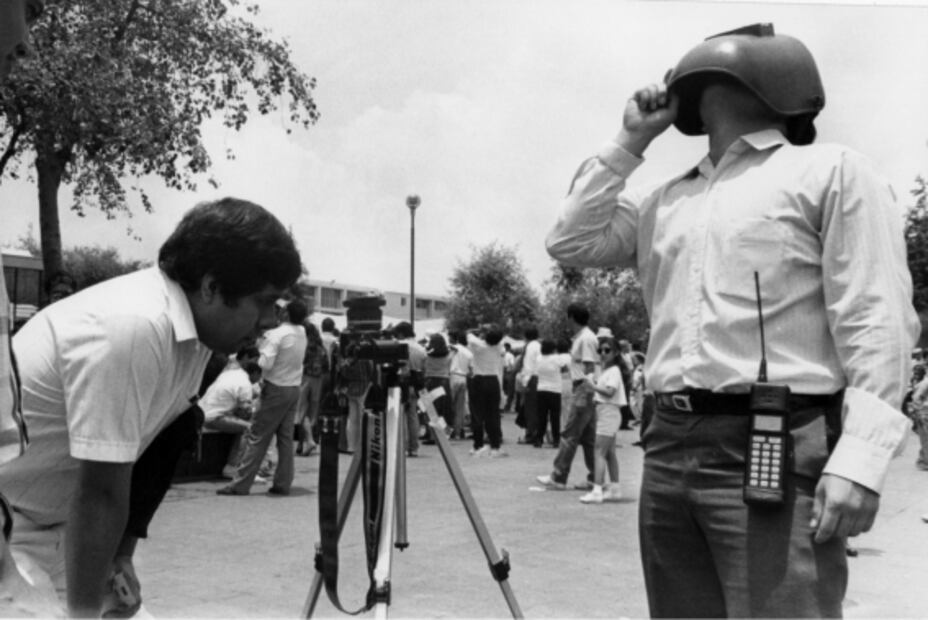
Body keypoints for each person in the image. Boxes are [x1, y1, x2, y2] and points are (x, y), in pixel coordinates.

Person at [546, 23, 919, 617]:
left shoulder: (830, 170)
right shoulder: (664, 199)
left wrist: (861, 461)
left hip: (776, 438)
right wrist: (630, 140)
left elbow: (876, 320)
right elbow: (570, 240)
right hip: (669, 440)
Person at [0, 197, 300, 615]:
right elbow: (100, 492)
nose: (269, 320)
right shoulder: (133, 326)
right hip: (11, 526)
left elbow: (166, 438)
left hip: (62, 525)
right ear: (211, 287)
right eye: (264, 301)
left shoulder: (196, 335)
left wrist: (121, 555)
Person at [219, 299, 308, 496]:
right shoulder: (302, 332)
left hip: (275, 388)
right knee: (285, 439)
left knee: (257, 437)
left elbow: (265, 364)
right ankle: (283, 483)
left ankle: (240, 484)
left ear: (286, 313)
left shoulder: (276, 334)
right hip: (293, 388)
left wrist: (260, 347)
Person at [536, 303, 599, 489]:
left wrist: (585, 391)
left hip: (583, 388)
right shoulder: (583, 337)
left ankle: (558, 476)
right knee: (588, 438)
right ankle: (595, 478)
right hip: (585, 389)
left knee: (570, 434)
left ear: (571, 317)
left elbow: (589, 367)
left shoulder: (586, 338)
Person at [579, 337, 625, 504]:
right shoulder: (609, 370)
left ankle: (597, 490)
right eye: (600, 350)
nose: (603, 353)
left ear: (616, 352)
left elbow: (610, 392)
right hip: (607, 411)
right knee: (609, 453)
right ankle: (615, 489)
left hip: (608, 411)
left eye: (607, 350)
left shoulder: (613, 371)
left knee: (599, 452)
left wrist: (593, 386)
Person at [201, 358, 263, 479]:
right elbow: (246, 413)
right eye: (260, 376)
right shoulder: (245, 385)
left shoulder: (230, 373)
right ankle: (233, 467)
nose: (259, 380)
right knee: (251, 428)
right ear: (255, 373)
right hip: (215, 417)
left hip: (203, 413)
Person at [467, 324, 506, 457]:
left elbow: (469, 334)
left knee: (477, 414)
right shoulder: (499, 346)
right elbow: (497, 339)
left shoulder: (478, 345)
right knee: (493, 415)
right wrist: (486, 332)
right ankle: (495, 446)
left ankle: (478, 445)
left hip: (478, 379)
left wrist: (479, 330)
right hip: (493, 380)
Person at [393, 322, 426, 457]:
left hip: (400, 383)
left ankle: (403, 446)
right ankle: (414, 447)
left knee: (400, 416)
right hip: (416, 384)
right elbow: (424, 369)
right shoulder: (421, 348)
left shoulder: (398, 345)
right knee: (413, 416)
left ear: (401, 333)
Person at [297, 321, 328, 456]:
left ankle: (308, 441)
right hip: (318, 380)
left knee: (301, 412)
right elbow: (327, 366)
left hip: (304, 379)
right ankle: (301, 444)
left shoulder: (303, 345)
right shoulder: (321, 348)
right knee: (312, 414)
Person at [534, 339, 564, 449]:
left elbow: (536, 372)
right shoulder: (557, 358)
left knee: (541, 416)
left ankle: (539, 440)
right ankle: (556, 440)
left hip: (541, 389)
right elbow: (564, 369)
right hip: (555, 390)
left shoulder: (538, 358)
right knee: (555, 417)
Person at [423, 333, 454, 434]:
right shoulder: (449, 354)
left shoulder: (426, 354)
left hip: (429, 381)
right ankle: (444, 432)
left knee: (430, 409)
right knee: (444, 409)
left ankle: (430, 433)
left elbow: (423, 367)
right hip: (444, 381)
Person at [516, 326, 541, 446]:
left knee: (530, 408)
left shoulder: (529, 347)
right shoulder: (539, 345)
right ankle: (536, 433)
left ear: (525, 336)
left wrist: (525, 382)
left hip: (532, 379)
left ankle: (530, 434)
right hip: (540, 379)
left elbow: (528, 366)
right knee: (537, 408)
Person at [448, 331, 474, 441]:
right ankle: (458, 433)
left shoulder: (452, 348)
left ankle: (448, 431)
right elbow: (472, 371)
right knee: (460, 407)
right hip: (463, 378)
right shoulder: (469, 353)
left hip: (452, 376)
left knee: (449, 406)